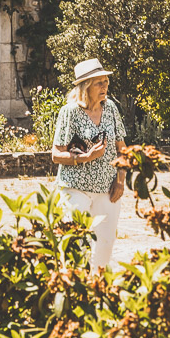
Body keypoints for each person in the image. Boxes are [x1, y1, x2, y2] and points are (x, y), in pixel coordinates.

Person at [51, 58, 127, 270]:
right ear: (86, 87)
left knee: (105, 244)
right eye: (99, 83)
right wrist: (86, 157)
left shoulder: (110, 108)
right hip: (75, 188)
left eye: (106, 81)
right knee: (75, 242)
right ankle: (73, 285)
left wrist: (120, 181)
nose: (105, 86)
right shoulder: (69, 112)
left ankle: (97, 290)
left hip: (108, 189)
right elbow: (56, 155)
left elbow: (123, 149)